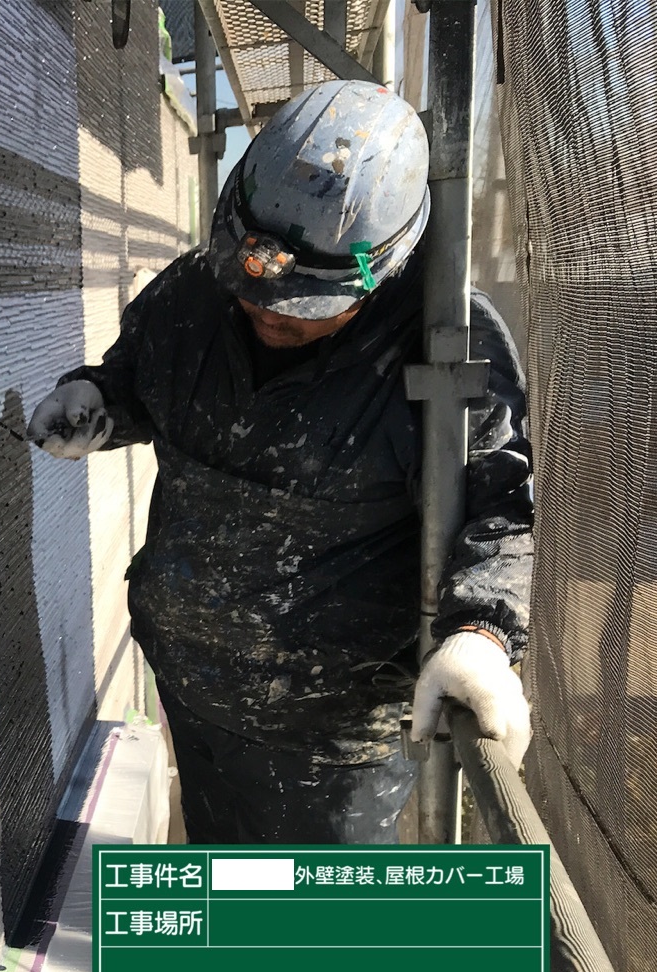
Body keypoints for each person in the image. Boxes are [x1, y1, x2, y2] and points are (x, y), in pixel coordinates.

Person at [29, 79, 532, 849]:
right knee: (224, 883)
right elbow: (141, 379)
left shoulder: (447, 340)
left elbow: (503, 507)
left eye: (302, 308)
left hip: (329, 744)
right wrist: (97, 398)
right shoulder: (192, 295)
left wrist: (481, 634)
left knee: (307, 920)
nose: (267, 311)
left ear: (382, 269)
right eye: (253, 292)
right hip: (192, 692)